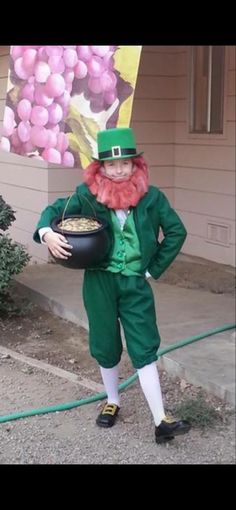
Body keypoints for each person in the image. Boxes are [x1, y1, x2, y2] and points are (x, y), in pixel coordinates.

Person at [33, 127, 191, 444]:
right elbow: (54, 210)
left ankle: (161, 419)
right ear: (100, 167)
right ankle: (112, 400)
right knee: (105, 342)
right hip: (99, 280)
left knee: (144, 345)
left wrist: (152, 270)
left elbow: (177, 232)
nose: (119, 170)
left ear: (135, 165)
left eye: (125, 163)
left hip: (135, 282)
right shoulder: (87, 194)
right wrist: (46, 233)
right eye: (111, 165)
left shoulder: (152, 197)